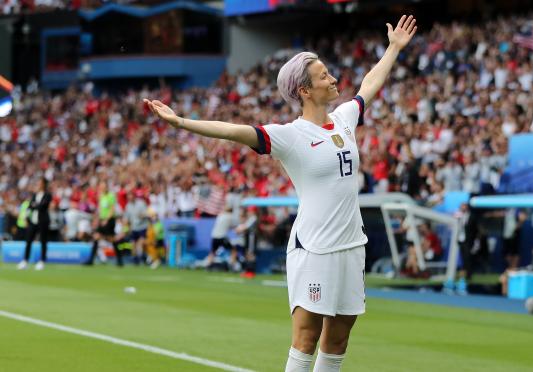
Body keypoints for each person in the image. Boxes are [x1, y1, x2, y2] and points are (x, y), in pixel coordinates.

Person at [144, 14, 417, 372]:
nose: (333, 79)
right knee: (305, 340)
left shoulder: (345, 117)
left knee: (338, 341)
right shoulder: (290, 135)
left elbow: (369, 84)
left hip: (351, 245)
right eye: (323, 76)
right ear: (305, 90)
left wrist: (394, 48)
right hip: (314, 247)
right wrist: (181, 122)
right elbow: (232, 131)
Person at [84, 181, 123, 266]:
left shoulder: (111, 196)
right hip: (102, 220)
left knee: (111, 239)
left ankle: (120, 260)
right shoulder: (101, 196)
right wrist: (98, 219)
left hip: (109, 220)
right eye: (101, 186)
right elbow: (101, 209)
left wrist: (106, 219)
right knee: (96, 237)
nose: (102, 188)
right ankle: (91, 260)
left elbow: (112, 209)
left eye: (103, 186)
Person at [17, 178, 52, 271]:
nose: (38, 184)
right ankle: (25, 260)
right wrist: (34, 206)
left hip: (43, 221)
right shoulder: (35, 195)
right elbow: (30, 206)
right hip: (33, 221)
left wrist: (35, 205)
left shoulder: (47, 195)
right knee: (28, 240)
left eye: (40, 183)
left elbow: (42, 206)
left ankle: (42, 261)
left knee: (43, 241)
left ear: (44, 184)